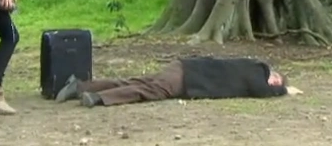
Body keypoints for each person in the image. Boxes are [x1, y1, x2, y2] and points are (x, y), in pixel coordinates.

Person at [55, 56, 303, 107]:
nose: (273, 83)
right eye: (276, 80)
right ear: (274, 75)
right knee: (149, 90)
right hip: (186, 76)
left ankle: (80, 86)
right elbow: (261, 90)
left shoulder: (251, 67)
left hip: (184, 69)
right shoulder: (257, 71)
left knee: (135, 81)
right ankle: (98, 97)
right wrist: (284, 90)